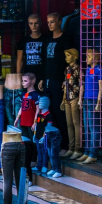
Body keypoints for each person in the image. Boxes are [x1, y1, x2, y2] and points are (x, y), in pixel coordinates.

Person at [43, 12, 73, 154]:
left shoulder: (66, 40)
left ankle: (65, 145)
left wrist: (66, 80)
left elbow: (71, 62)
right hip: (48, 80)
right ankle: (54, 144)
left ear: (60, 21)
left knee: (60, 113)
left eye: (52, 22)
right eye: (48, 22)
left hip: (60, 82)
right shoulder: (48, 40)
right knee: (50, 113)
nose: (49, 24)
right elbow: (46, 61)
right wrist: (43, 78)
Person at [14, 72, 39, 180]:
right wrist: (17, 118)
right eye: (22, 81)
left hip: (30, 122)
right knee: (25, 142)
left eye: (25, 81)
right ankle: (28, 161)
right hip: (23, 122)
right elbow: (21, 107)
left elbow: (38, 109)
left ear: (32, 81)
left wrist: (35, 122)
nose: (23, 83)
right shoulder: (24, 94)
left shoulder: (35, 95)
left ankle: (34, 160)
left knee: (33, 143)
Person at [34, 96, 62, 178]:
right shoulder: (40, 114)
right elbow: (38, 125)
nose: (41, 104)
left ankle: (58, 170)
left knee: (54, 153)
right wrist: (36, 134)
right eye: (40, 102)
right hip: (45, 136)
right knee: (50, 153)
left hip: (53, 135)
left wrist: (43, 136)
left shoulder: (49, 115)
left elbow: (48, 127)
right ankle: (53, 168)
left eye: (43, 102)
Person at [16, 14, 46, 84]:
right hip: (28, 76)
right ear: (28, 24)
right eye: (31, 23)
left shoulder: (46, 39)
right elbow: (19, 60)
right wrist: (18, 76)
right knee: (28, 94)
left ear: (40, 23)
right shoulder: (23, 40)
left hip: (42, 75)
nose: (34, 26)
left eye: (36, 23)